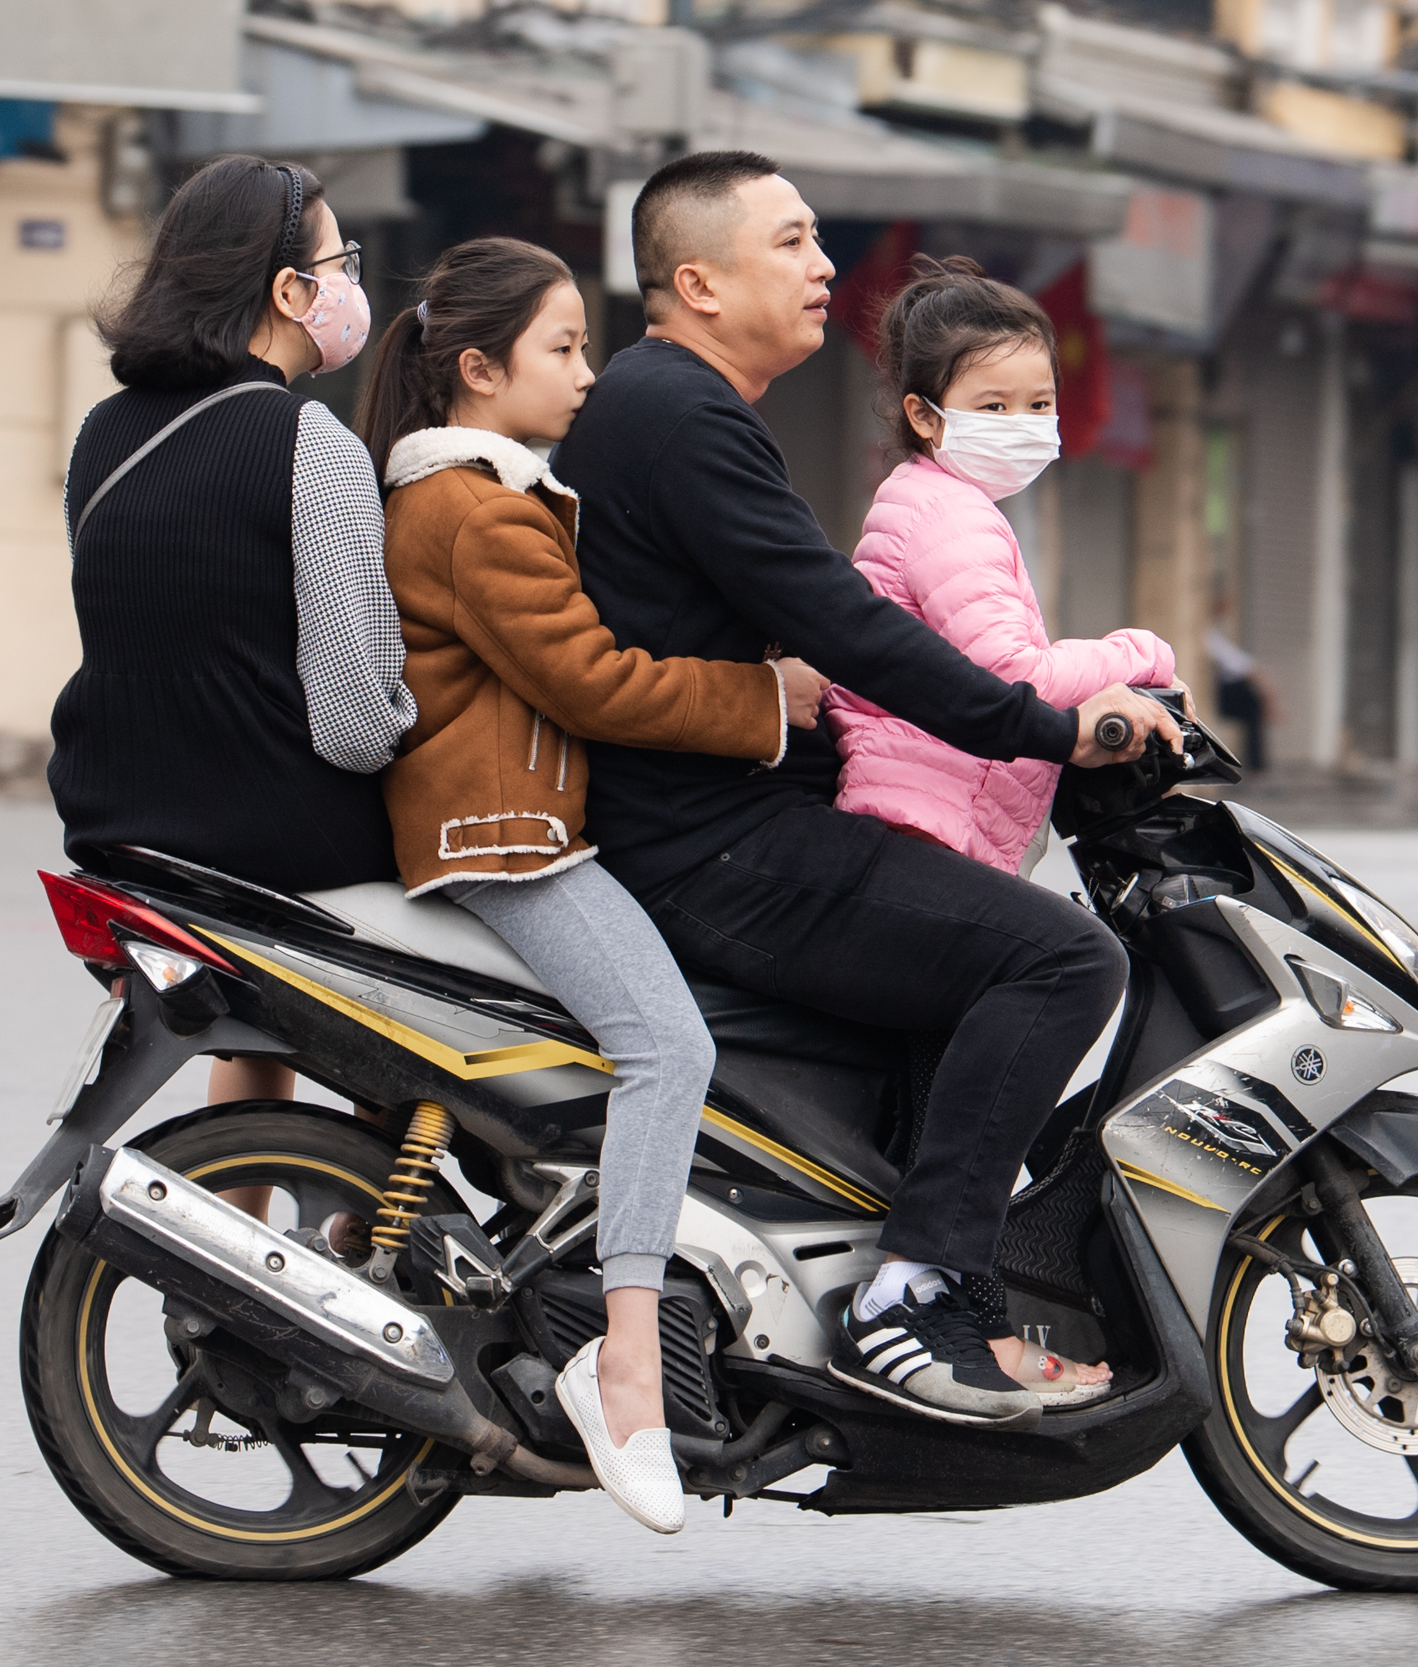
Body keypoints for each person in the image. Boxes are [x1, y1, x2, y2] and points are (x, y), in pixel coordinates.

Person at [559, 150, 1182, 1429]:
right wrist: (1048, 725)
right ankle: (911, 1297)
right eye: (790, 241)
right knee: (1064, 961)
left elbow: (825, 630)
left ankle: (942, 1288)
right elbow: (850, 625)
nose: (824, 266)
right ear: (699, 281)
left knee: (968, 963)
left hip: (724, 818)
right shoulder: (678, 413)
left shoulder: (677, 406)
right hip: (710, 844)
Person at [357, 237, 830, 1533]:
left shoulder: (480, 498)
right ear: (477, 368)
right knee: (666, 1047)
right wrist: (765, 699)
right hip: (504, 838)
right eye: (562, 348)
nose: (585, 373)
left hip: (517, 823)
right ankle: (626, 1360)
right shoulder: (476, 509)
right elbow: (592, 680)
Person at [824, 254, 1192, 1406]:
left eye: (1039, 400)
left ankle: (967, 1305)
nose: (1026, 423)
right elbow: (1008, 672)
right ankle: (911, 1284)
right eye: (994, 403)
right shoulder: (945, 515)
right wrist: (1139, 655)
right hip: (912, 824)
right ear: (926, 414)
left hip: (933, 825)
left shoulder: (947, 508)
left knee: (963, 1063)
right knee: (1072, 967)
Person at [50, 154, 411, 1114]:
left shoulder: (99, 435)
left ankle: (247, 1196)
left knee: (258, 1029)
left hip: (120, 817)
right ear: (290, 292)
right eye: (341, 264)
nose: (351, 285)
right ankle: (382, 1190)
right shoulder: (313, 446)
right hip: (277, 831)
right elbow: (354, 726)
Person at [1206, 583, 1274, 773]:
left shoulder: (1217, 627)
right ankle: (1256, 768)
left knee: (1254, 702)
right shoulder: (1205, 629)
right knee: (1253, 703)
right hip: (1218, 691)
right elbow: (1235, 662)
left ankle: (1256, 766)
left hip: (1227, 685)